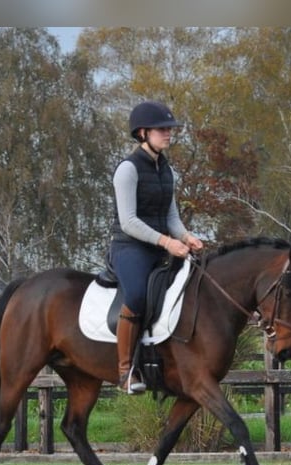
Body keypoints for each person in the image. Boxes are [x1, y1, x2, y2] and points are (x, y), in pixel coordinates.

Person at [110, 100, 204, 394]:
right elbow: (128, 221)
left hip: (162, 247)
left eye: (169, 129)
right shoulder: (127, 169)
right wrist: (167, 241)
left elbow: (171, 217)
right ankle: (126, 371)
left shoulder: (167, 170)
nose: (168, 134)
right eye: (162, 129)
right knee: (137, 295)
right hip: (129, 248)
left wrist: (187, 237)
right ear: (142, 133)